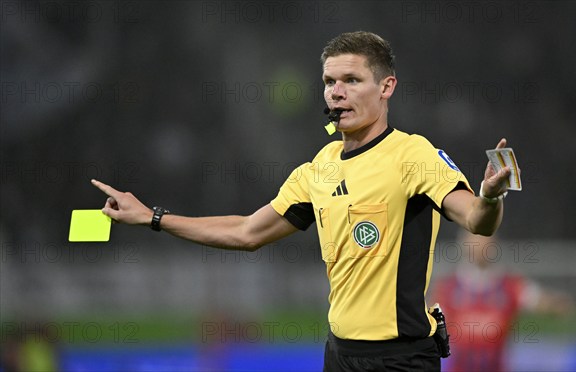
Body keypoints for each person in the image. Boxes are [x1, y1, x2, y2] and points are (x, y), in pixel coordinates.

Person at [91, 31, 513, 371]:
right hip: (339, 355)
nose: (336, 93)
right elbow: (247, 232)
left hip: (400, 359)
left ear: (386, 87)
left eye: (351, 80)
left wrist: (491, 197)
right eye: (330, 82)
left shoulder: (412, 155)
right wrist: (154, 217)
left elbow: (477, 219)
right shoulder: (319, 169)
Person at [429, 231, 573, 372]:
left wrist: (557, 304)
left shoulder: (509, 285)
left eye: (484, 239)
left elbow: (539, 300)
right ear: (463, 244)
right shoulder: (447, 287)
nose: (480, 245)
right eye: (475, 239)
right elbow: (430, 323)